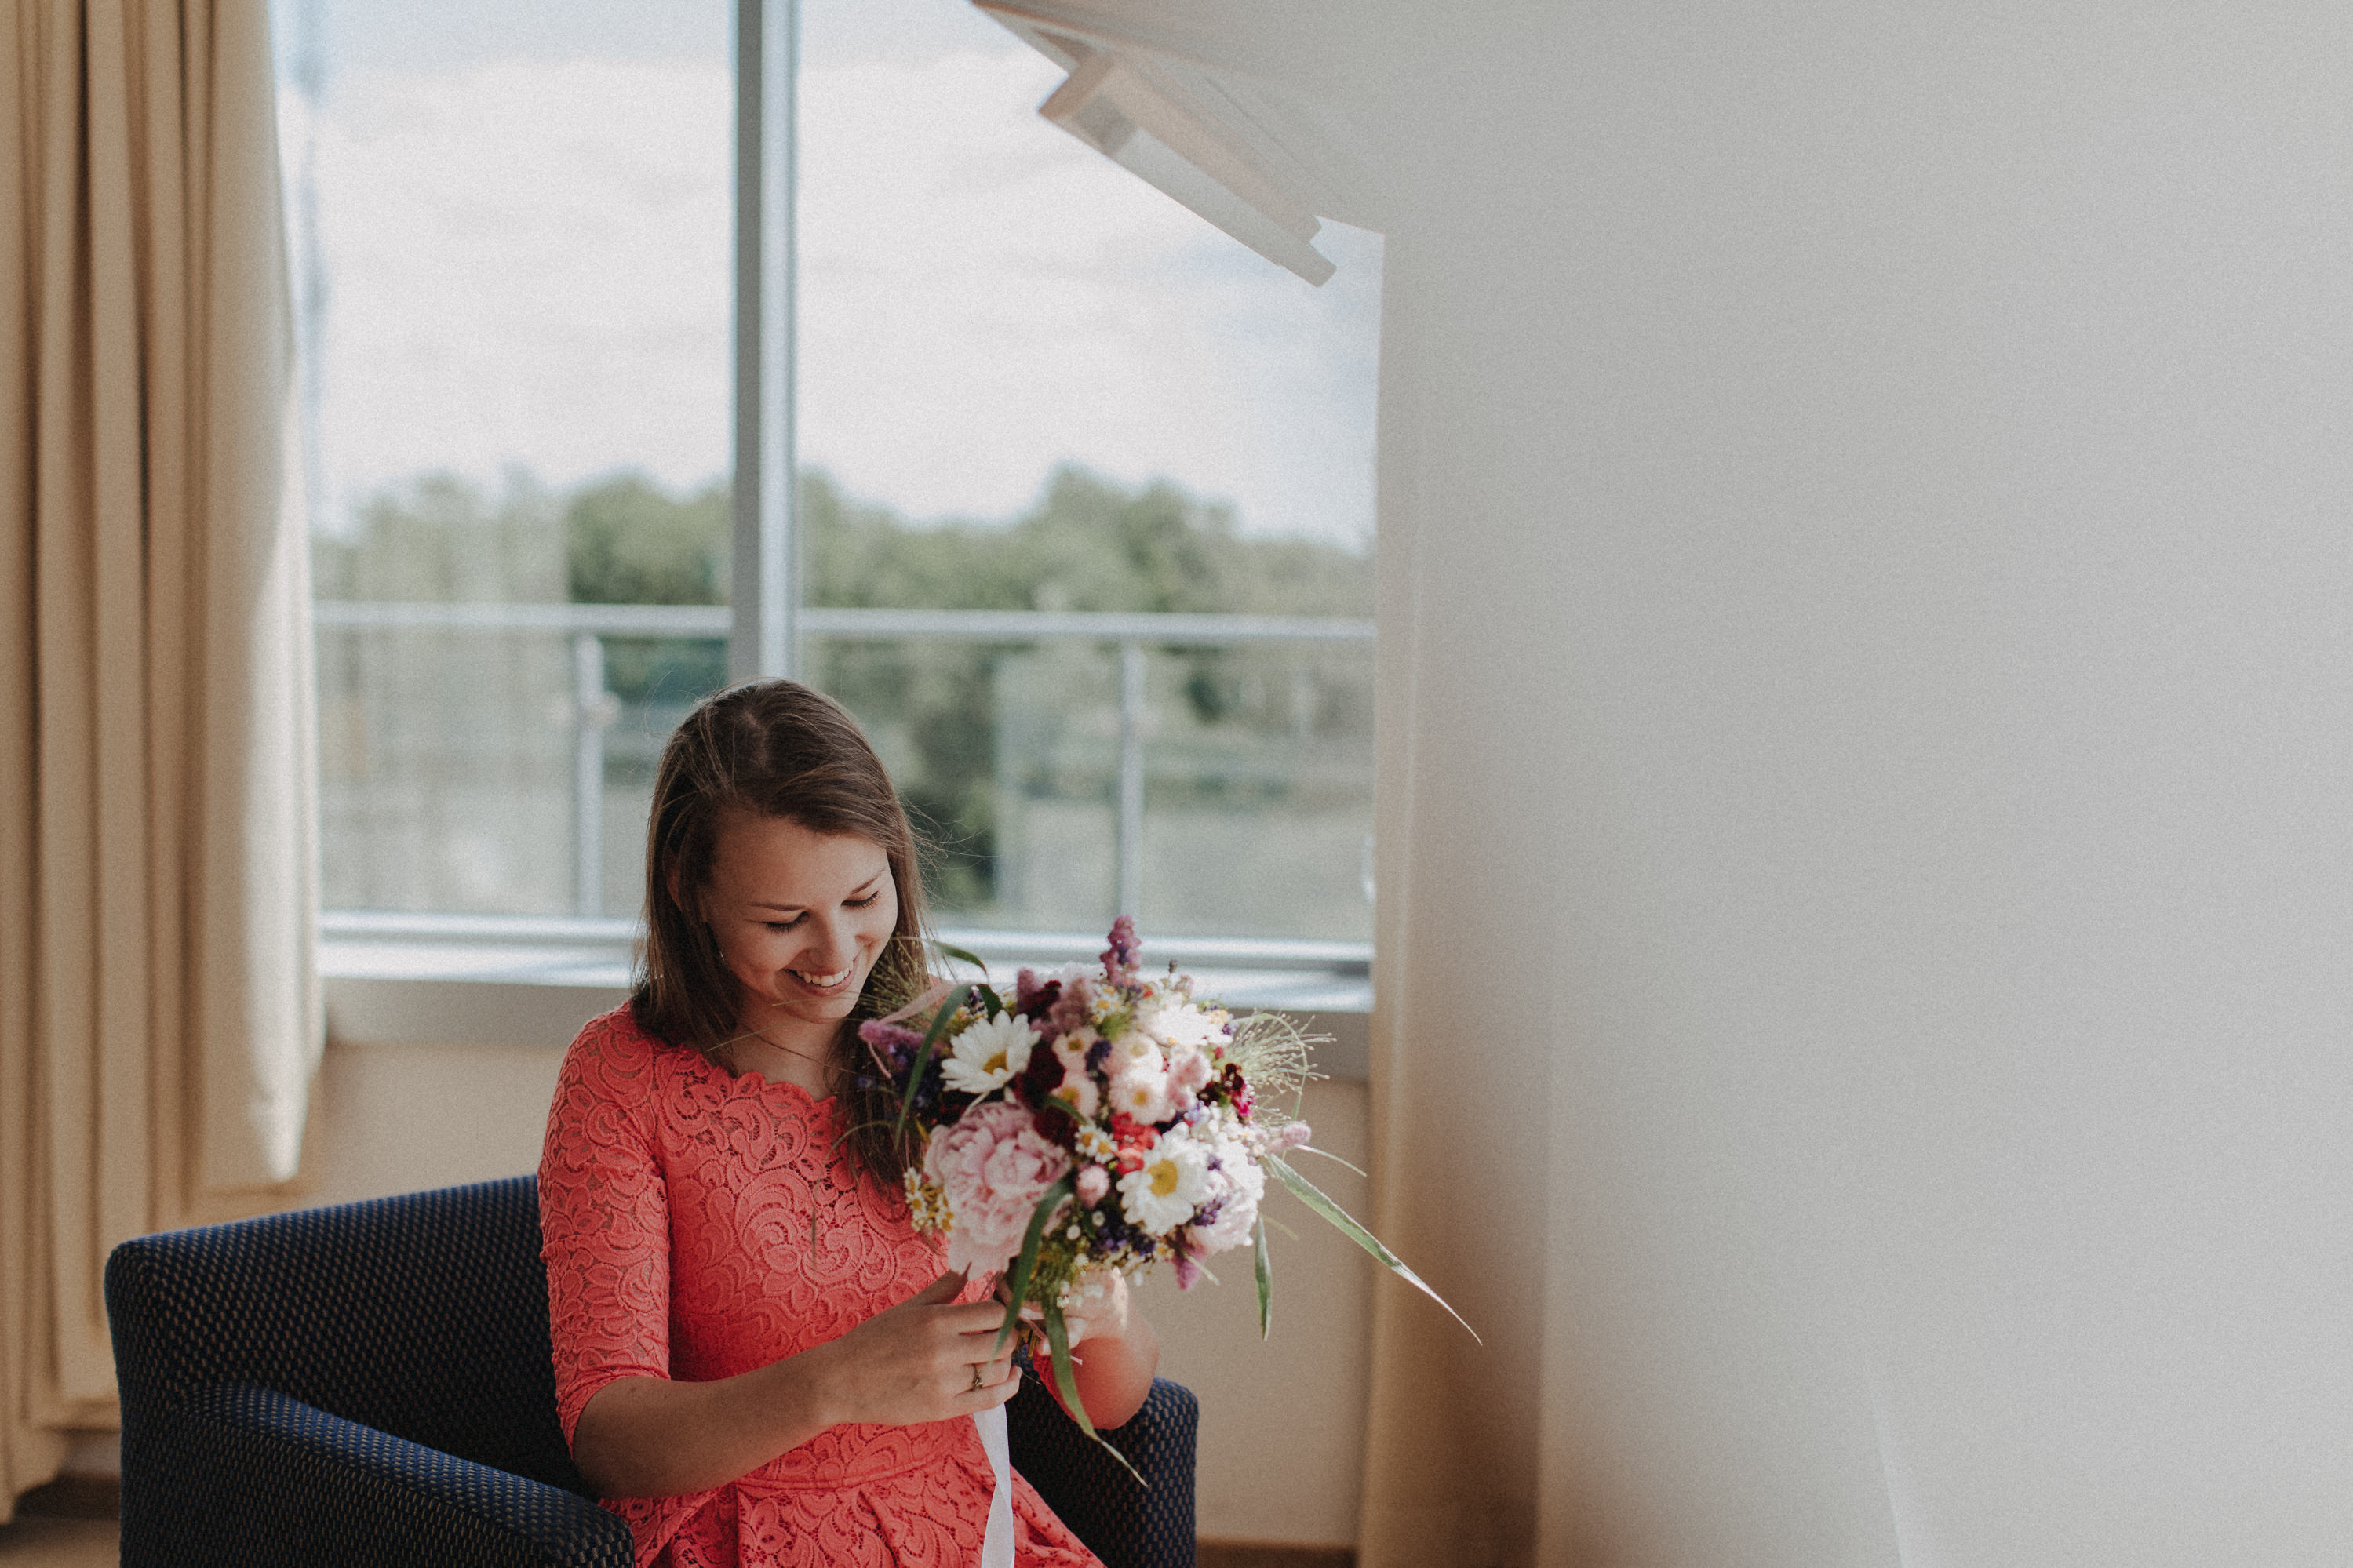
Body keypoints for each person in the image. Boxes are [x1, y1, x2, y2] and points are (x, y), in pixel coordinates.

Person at [539, 678, 1160, 1566]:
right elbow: (607, 1439)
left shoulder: (970, 1047)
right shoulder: (621, 1075)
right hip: (739, 1539)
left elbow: (1108, 1403)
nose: (835, 956)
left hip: (970, 1528)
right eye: (785, 919)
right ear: (689, 890)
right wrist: (834, 1385)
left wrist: (1101, 1307)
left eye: (863, 899)